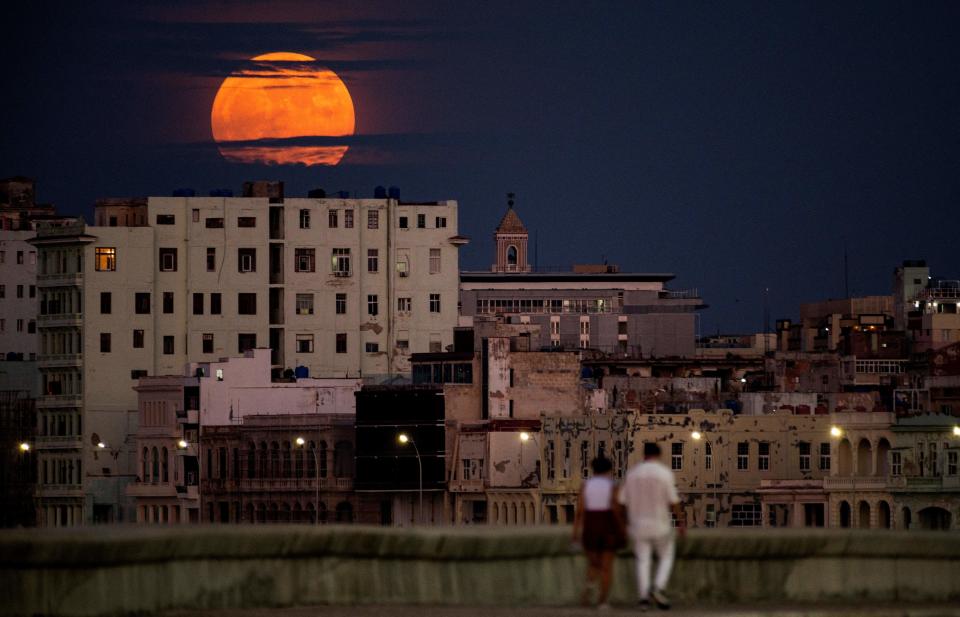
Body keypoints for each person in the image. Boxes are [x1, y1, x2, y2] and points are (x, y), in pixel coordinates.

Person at [618, 442, 685, 611]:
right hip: (660, 524)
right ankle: (658, 587)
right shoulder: (665, 473)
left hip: (638, 525)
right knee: (667, 555)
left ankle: (643, 598)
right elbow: (674, 502)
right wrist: (681, 522)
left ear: (644, 454)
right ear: (659, 454)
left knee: (642, 560)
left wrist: (624, 523)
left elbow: (622, 502)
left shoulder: (633, 474)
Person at [572, 456, 626, 610]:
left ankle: (588, 589)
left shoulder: (585, 485)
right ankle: (602, 601)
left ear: (593, 469)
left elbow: (580, 512)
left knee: (593, 563)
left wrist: (575, 532)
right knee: (607, 567)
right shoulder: (613, 485)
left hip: (591, 525)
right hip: (608, 526)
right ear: (609, 470)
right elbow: (616, 508)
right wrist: (622, 527)